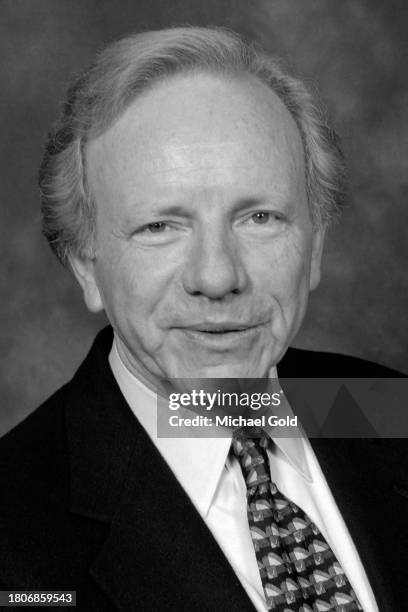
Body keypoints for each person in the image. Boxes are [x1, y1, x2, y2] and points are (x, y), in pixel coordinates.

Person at [0, 26, 406, 612]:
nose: (217, 278)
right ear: (87, 265)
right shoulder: (15, 541)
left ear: (314, 246)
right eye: (160, 226)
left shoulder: (386, 407)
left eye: (260, 217)